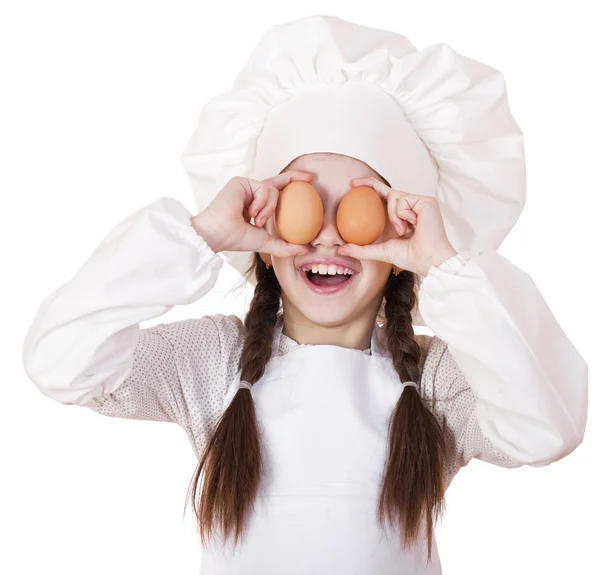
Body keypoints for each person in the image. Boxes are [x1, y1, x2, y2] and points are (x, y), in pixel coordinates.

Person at [22, 14, 588, 575]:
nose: (328, 236)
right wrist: (202, 236)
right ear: (264, 242)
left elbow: (546, 431)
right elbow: (62, 364)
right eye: (303, 205)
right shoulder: (214, 364)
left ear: (401, 244)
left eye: (359, 212)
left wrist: (443, 266)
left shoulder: (437, 379)